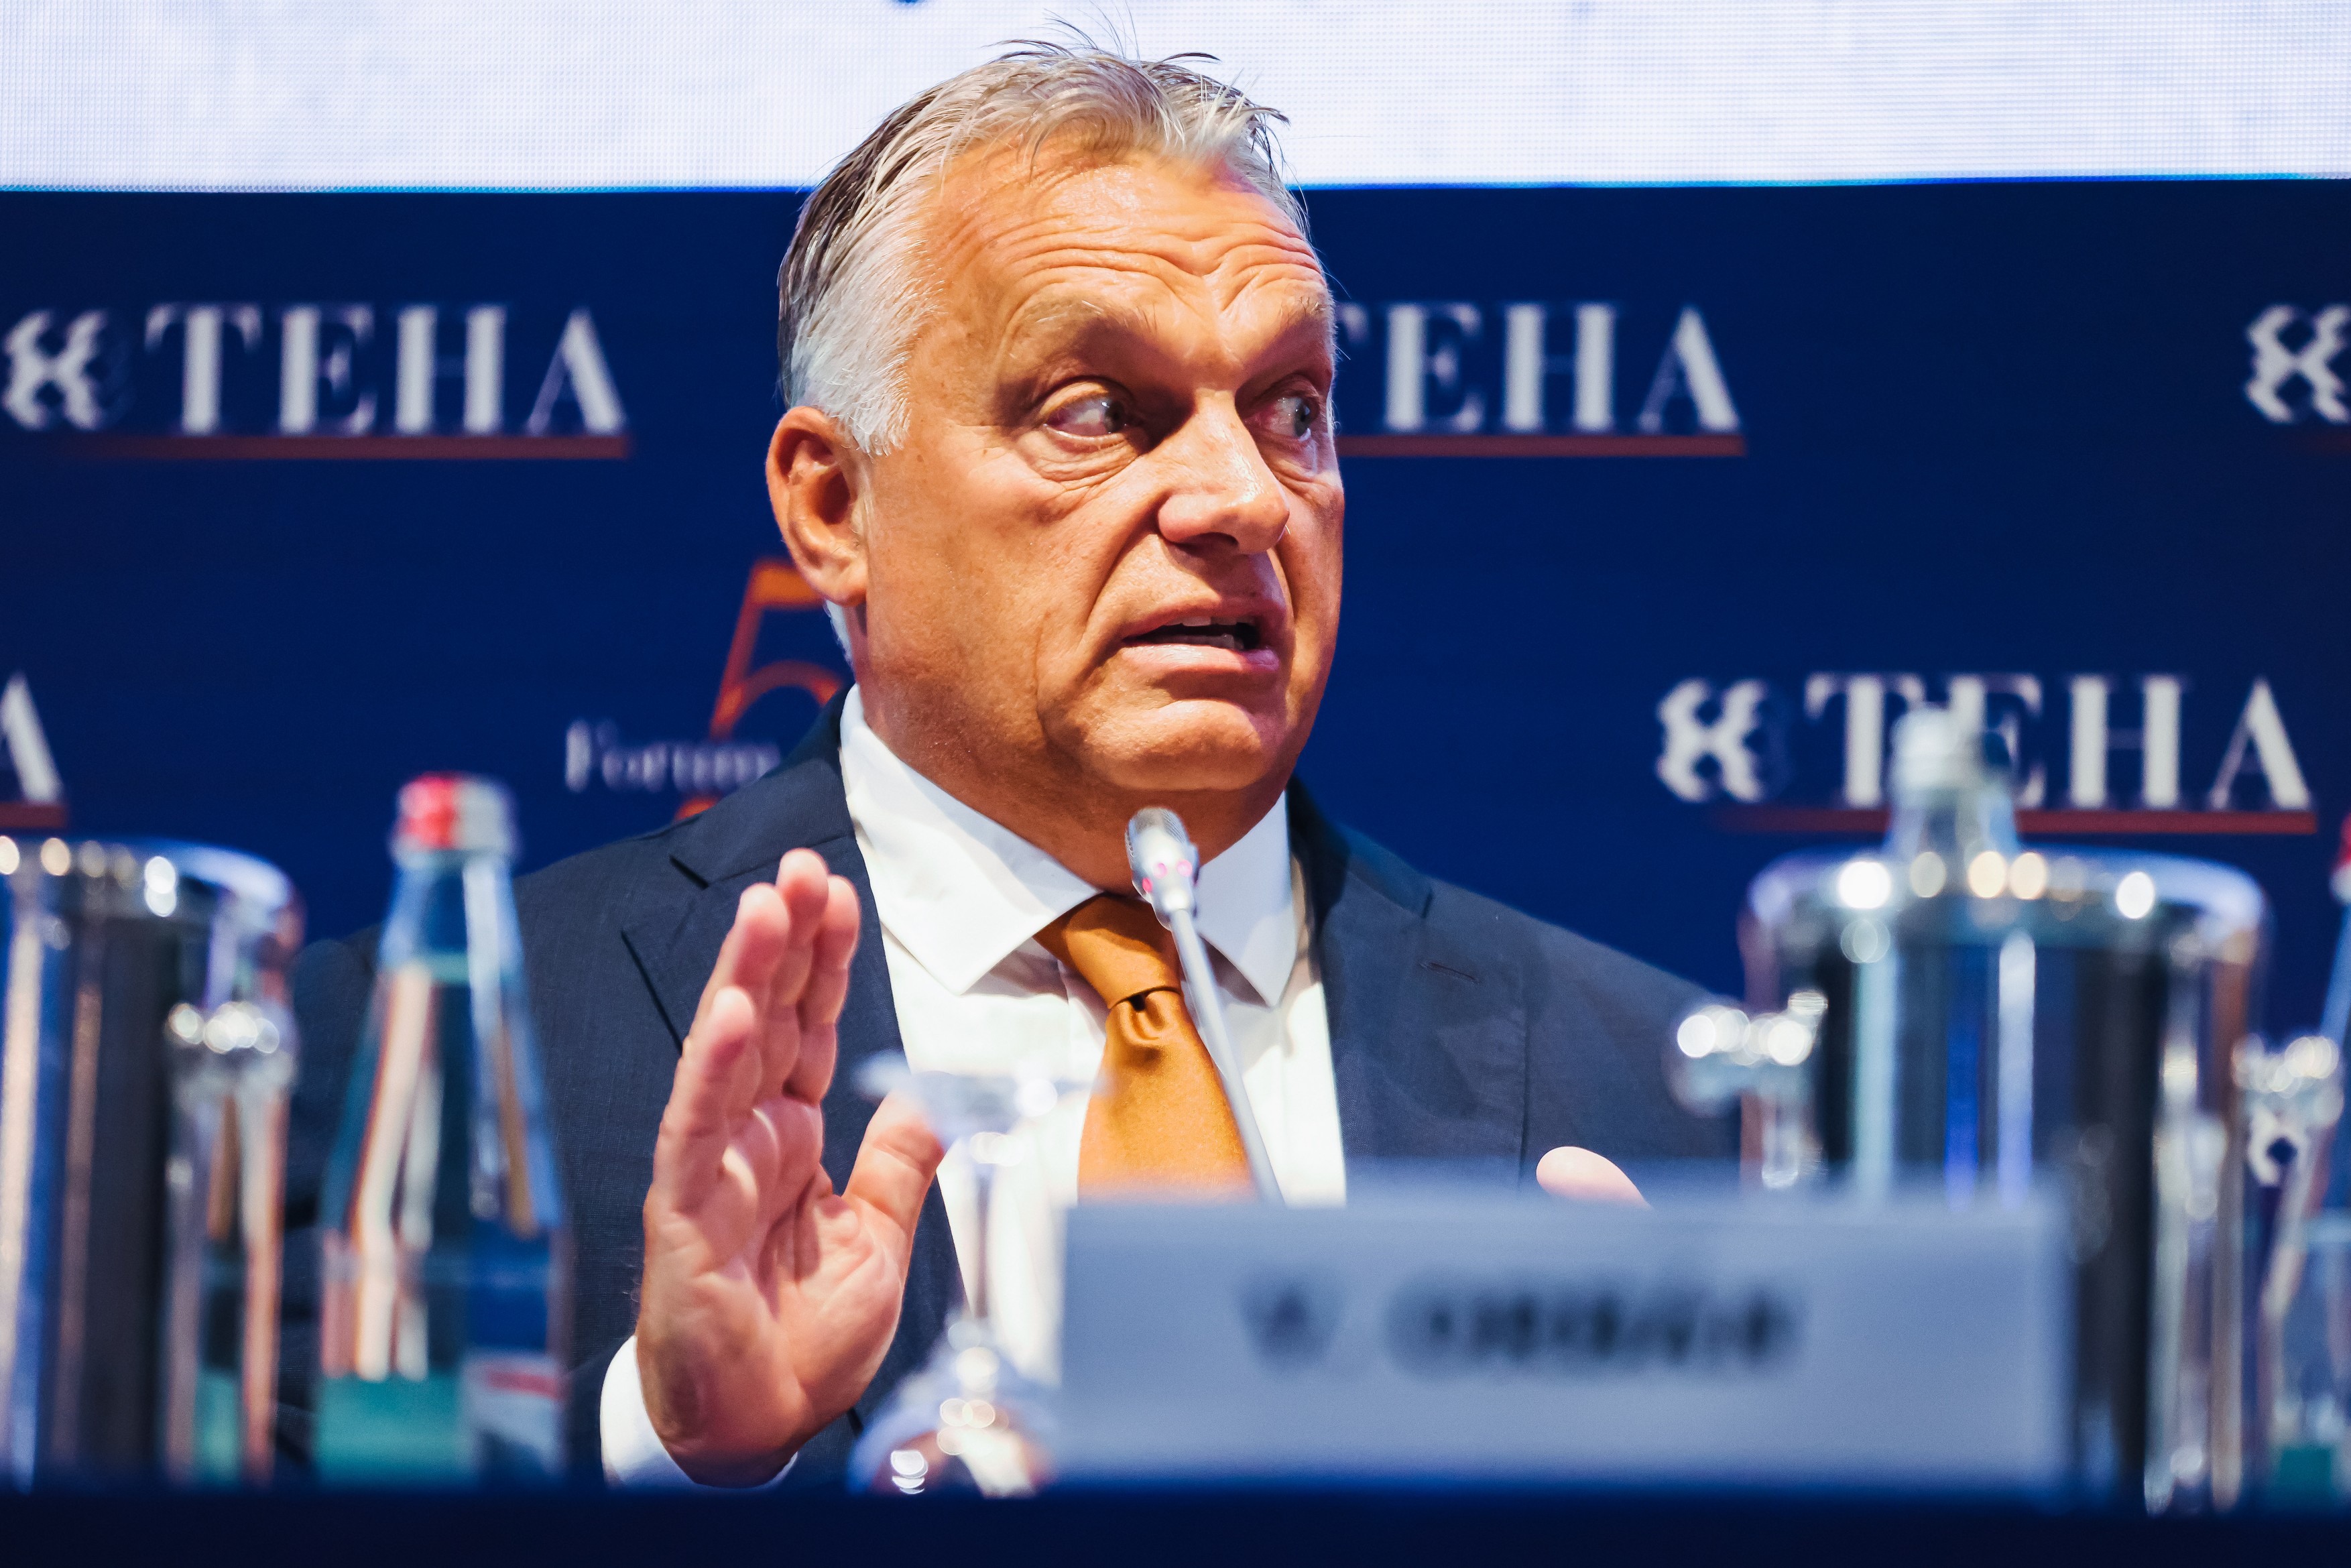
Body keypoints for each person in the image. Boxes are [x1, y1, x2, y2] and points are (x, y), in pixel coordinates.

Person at [287, 42, 1731, 1490]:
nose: (1241, 497)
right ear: (833, 508)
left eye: (1291, 408)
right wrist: (661, 1444)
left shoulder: (1667, 1106)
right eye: (1096, 410)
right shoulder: (423, 1057)